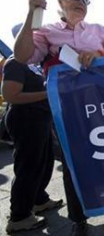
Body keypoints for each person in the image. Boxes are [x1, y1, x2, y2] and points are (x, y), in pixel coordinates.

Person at [13, 0, 104, 235]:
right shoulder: (46, 31)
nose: (81, 1)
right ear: (59, 3)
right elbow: (22, 56)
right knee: (72, 165)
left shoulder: (100, 31)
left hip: (100, 106)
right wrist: (31, 12)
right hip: (66, 110)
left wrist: (98, 55)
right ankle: (79, 218)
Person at [2, 57, 63, 234]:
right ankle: (19, 217)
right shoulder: (15, 62)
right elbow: (10, 95)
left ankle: (38, 200)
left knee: (44, 162)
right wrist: (47, 94)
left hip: (39, 118)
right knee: (28, 167)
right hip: (25, 119)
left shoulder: (33, 64)